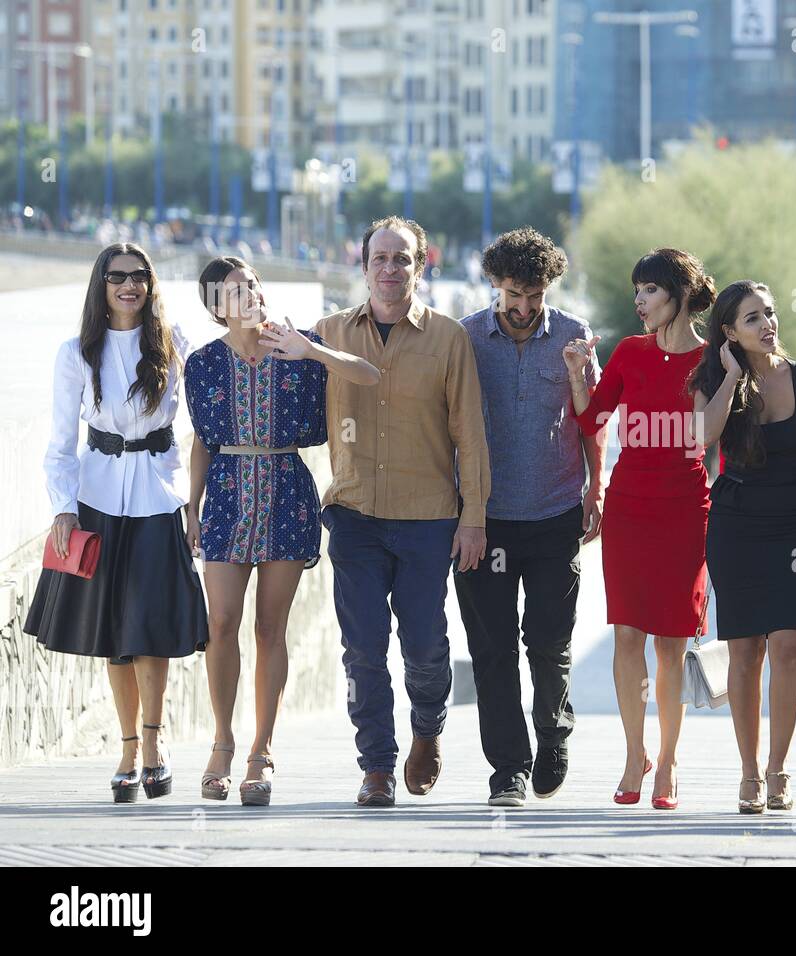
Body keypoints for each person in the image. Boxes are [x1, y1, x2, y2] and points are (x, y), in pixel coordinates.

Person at [186, 256, 379, 805]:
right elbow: (201, 439)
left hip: (285, 494)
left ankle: (260, 752)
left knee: (271, 628)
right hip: (224, 494)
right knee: (221, 623)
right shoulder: (200, 364)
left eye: (250, 284)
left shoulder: (298, 350)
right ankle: (221, 742)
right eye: (231, 291)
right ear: (216, 309)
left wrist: (311, 348)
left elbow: (367, 375)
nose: (247, 295)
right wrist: (192, 506)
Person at [315, 216, 491, 807]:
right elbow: (276, 388)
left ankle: (427, 731)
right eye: (380, 259)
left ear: (420, 266)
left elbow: (470, 432)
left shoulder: (449, 339)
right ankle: (376, 768)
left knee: (425, 644)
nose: (390, 269)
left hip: (427, 516)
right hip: (355, 513)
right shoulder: (328, 332)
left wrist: (475, 516)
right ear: (363, 267)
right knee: (362, 647)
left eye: (402, 259)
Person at [23, 243, 208, 802]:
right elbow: (59, 445)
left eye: (138, 276)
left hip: (158, 498)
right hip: (99, 500)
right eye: (117, 276)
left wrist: (197, 505)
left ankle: (154, 743)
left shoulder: (176, 345)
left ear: (151, 284)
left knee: (149, 631)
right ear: (100, 285)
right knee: (116, 639)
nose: (129, 285)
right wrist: (62, 505)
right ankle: (127, 749)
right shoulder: (76, 353)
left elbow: (207, 421)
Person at [455, 228, 605, 807]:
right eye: (514, 294)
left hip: (555, 513)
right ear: (495, 284)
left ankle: (553, 733)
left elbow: (592, 419)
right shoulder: (465, 339)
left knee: (548, 640)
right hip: (483, 520)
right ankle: (508, 770)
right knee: (493, 650)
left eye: (534, 296)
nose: (523, 308)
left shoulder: (573, 336)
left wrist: (597, 490)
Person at [567, 248, 716, 810]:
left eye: (649, 290)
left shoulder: (712, 359)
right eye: (637, 292)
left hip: (685, 510)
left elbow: (710, 439)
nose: (639, 302)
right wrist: (579, 375)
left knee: (671, 643)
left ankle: (669, 761)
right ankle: (636, 753)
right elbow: (591, 420)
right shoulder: (629, 352)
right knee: (627, 633)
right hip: (629, 505)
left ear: (678, 294)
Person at [688, 280, 796, 814]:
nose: (768, 324)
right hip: (737, 525)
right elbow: (702, 437)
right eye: (752, 318)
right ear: (729, 332)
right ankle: (749, 772)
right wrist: (730, 376)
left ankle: (779, 768)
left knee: (789, 646)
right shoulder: (711, 378)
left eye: (770, 314)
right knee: (745, 652)